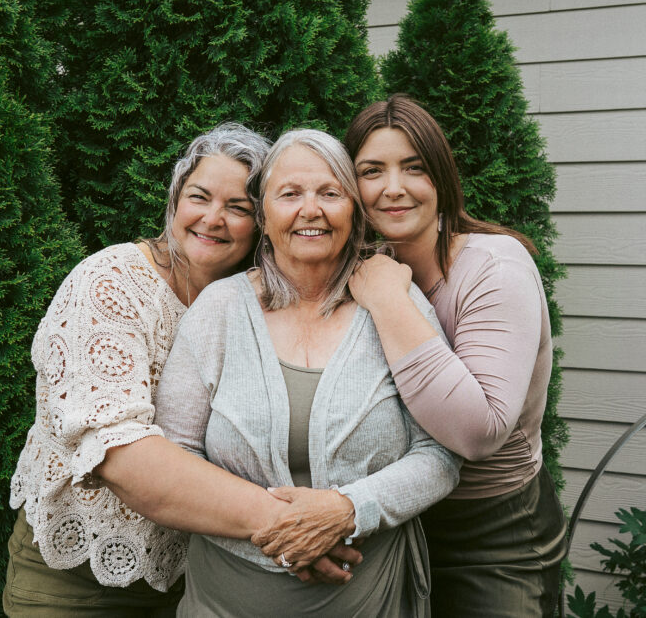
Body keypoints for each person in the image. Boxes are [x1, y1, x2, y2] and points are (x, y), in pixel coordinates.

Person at [3, 124, 358, 617]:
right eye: (199, 197)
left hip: (198, 576)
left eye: (238, 208)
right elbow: (121, 457)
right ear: (174, 200)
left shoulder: (256, 304)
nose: (214, 219)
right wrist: (292, 527)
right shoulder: (111, 283)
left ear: (261, 225)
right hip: (78, 581)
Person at [154, 128, 461, 617]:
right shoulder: (219, 310)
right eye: (290, 194)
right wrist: (288, 533)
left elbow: (440, 452)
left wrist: (348, 510)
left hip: (370, 602)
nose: (310, 209)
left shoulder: (393, 304)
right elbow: (174, 457)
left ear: (354, 212)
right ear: (264, 215)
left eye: (330, 193)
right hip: (223, 602)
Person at [343, 95, 569, 617]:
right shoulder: (360, 268)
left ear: (441, 178)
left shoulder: (493, 268)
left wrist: (387, 300)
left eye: (414, 168)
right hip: (391, 519)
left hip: (492, 531)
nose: (392, 188)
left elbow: (480, 430)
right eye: (371, 170)